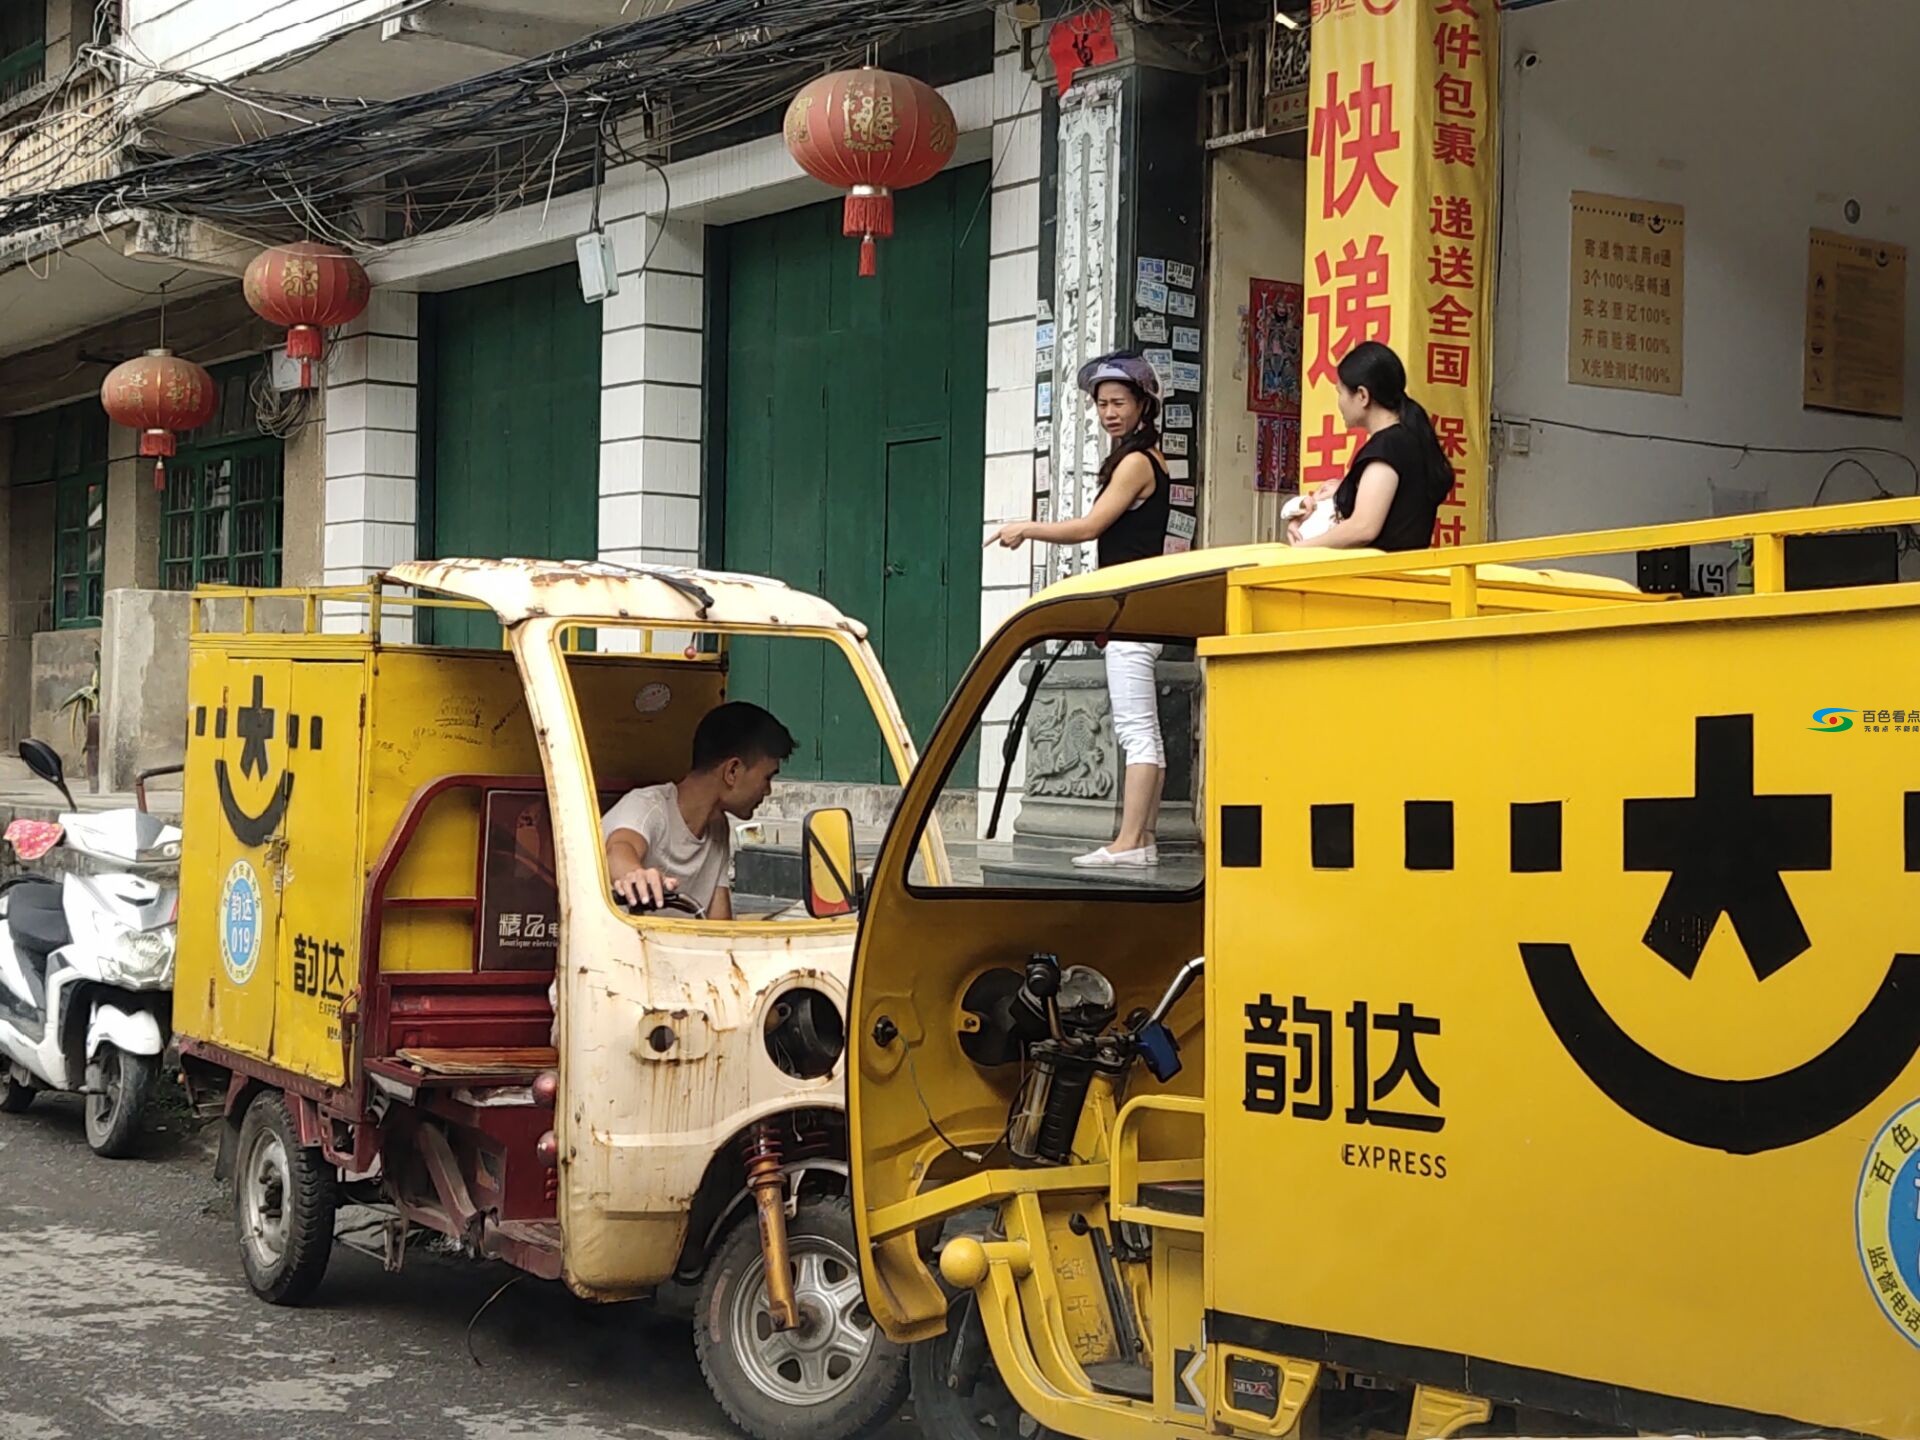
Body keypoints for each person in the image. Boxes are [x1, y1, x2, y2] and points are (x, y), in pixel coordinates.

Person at [988, 352, 1172, 869]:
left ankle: (1130, 841)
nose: (1109, 412)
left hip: (1131, 608)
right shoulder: (1146, 459)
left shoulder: (1137, 463)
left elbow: (1090, 526)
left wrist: (1026, 528)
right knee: (1146, 731)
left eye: (1119, 403)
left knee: (1137, 731)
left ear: (1143, 405)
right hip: (1136, 606)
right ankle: (1144, 836)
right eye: (1102, 404)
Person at [603, 700, 794, 921]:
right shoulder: (647, 806)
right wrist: (634, 876)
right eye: (767, 777)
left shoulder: (717, 828)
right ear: (732, 771)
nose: (768, 790)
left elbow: (719, 927)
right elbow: (618, 849)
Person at [1288, 340, 1455, 552]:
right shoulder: (1408, 439)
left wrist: (1301, 548)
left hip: (1380, 578)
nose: (1339, 402)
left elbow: (1363, 527)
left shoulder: (1388, 448)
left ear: (1362, 396)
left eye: (1340, 393)